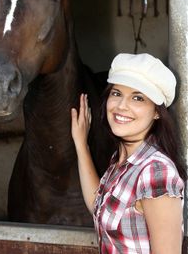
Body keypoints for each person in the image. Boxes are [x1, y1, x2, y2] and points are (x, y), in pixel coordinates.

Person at [71, 53, 186, 254]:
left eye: (137, 97)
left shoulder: (155, 171)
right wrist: (81, 145)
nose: (121, 106)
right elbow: (98, 206)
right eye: (116, 93)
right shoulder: (121, 162)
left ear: (157, 112)